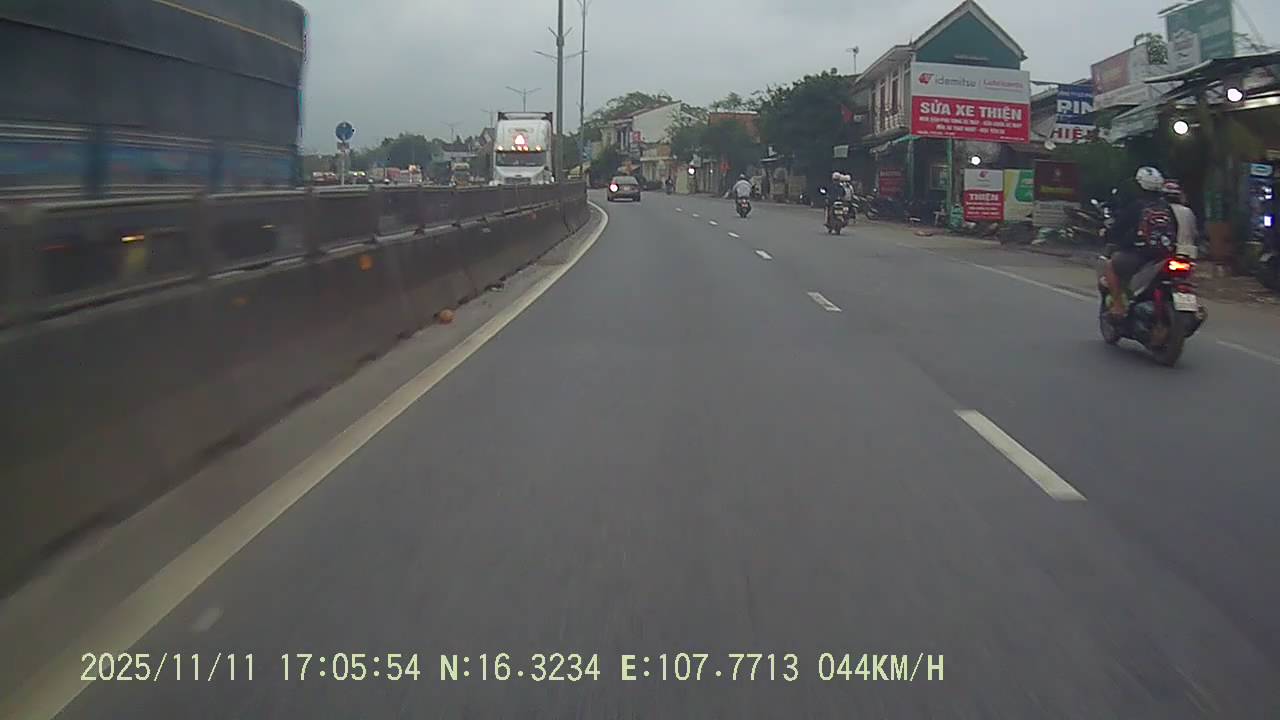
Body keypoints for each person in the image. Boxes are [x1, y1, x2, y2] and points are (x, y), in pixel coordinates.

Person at [1103, 167, 1179, 319]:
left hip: (1141, 256)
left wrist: (1107, 235)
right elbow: (1175, 228)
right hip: (1164, 255)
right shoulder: (1166, 207)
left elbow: (1118, 229)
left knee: (1110, 265)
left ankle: (1118, 306)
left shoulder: (1136, 206)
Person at [1163, 180, 1198, 258]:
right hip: (1188, 253)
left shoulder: (1162, 211)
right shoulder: (1188, 211)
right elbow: (1194, 233)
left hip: (1169, 252)